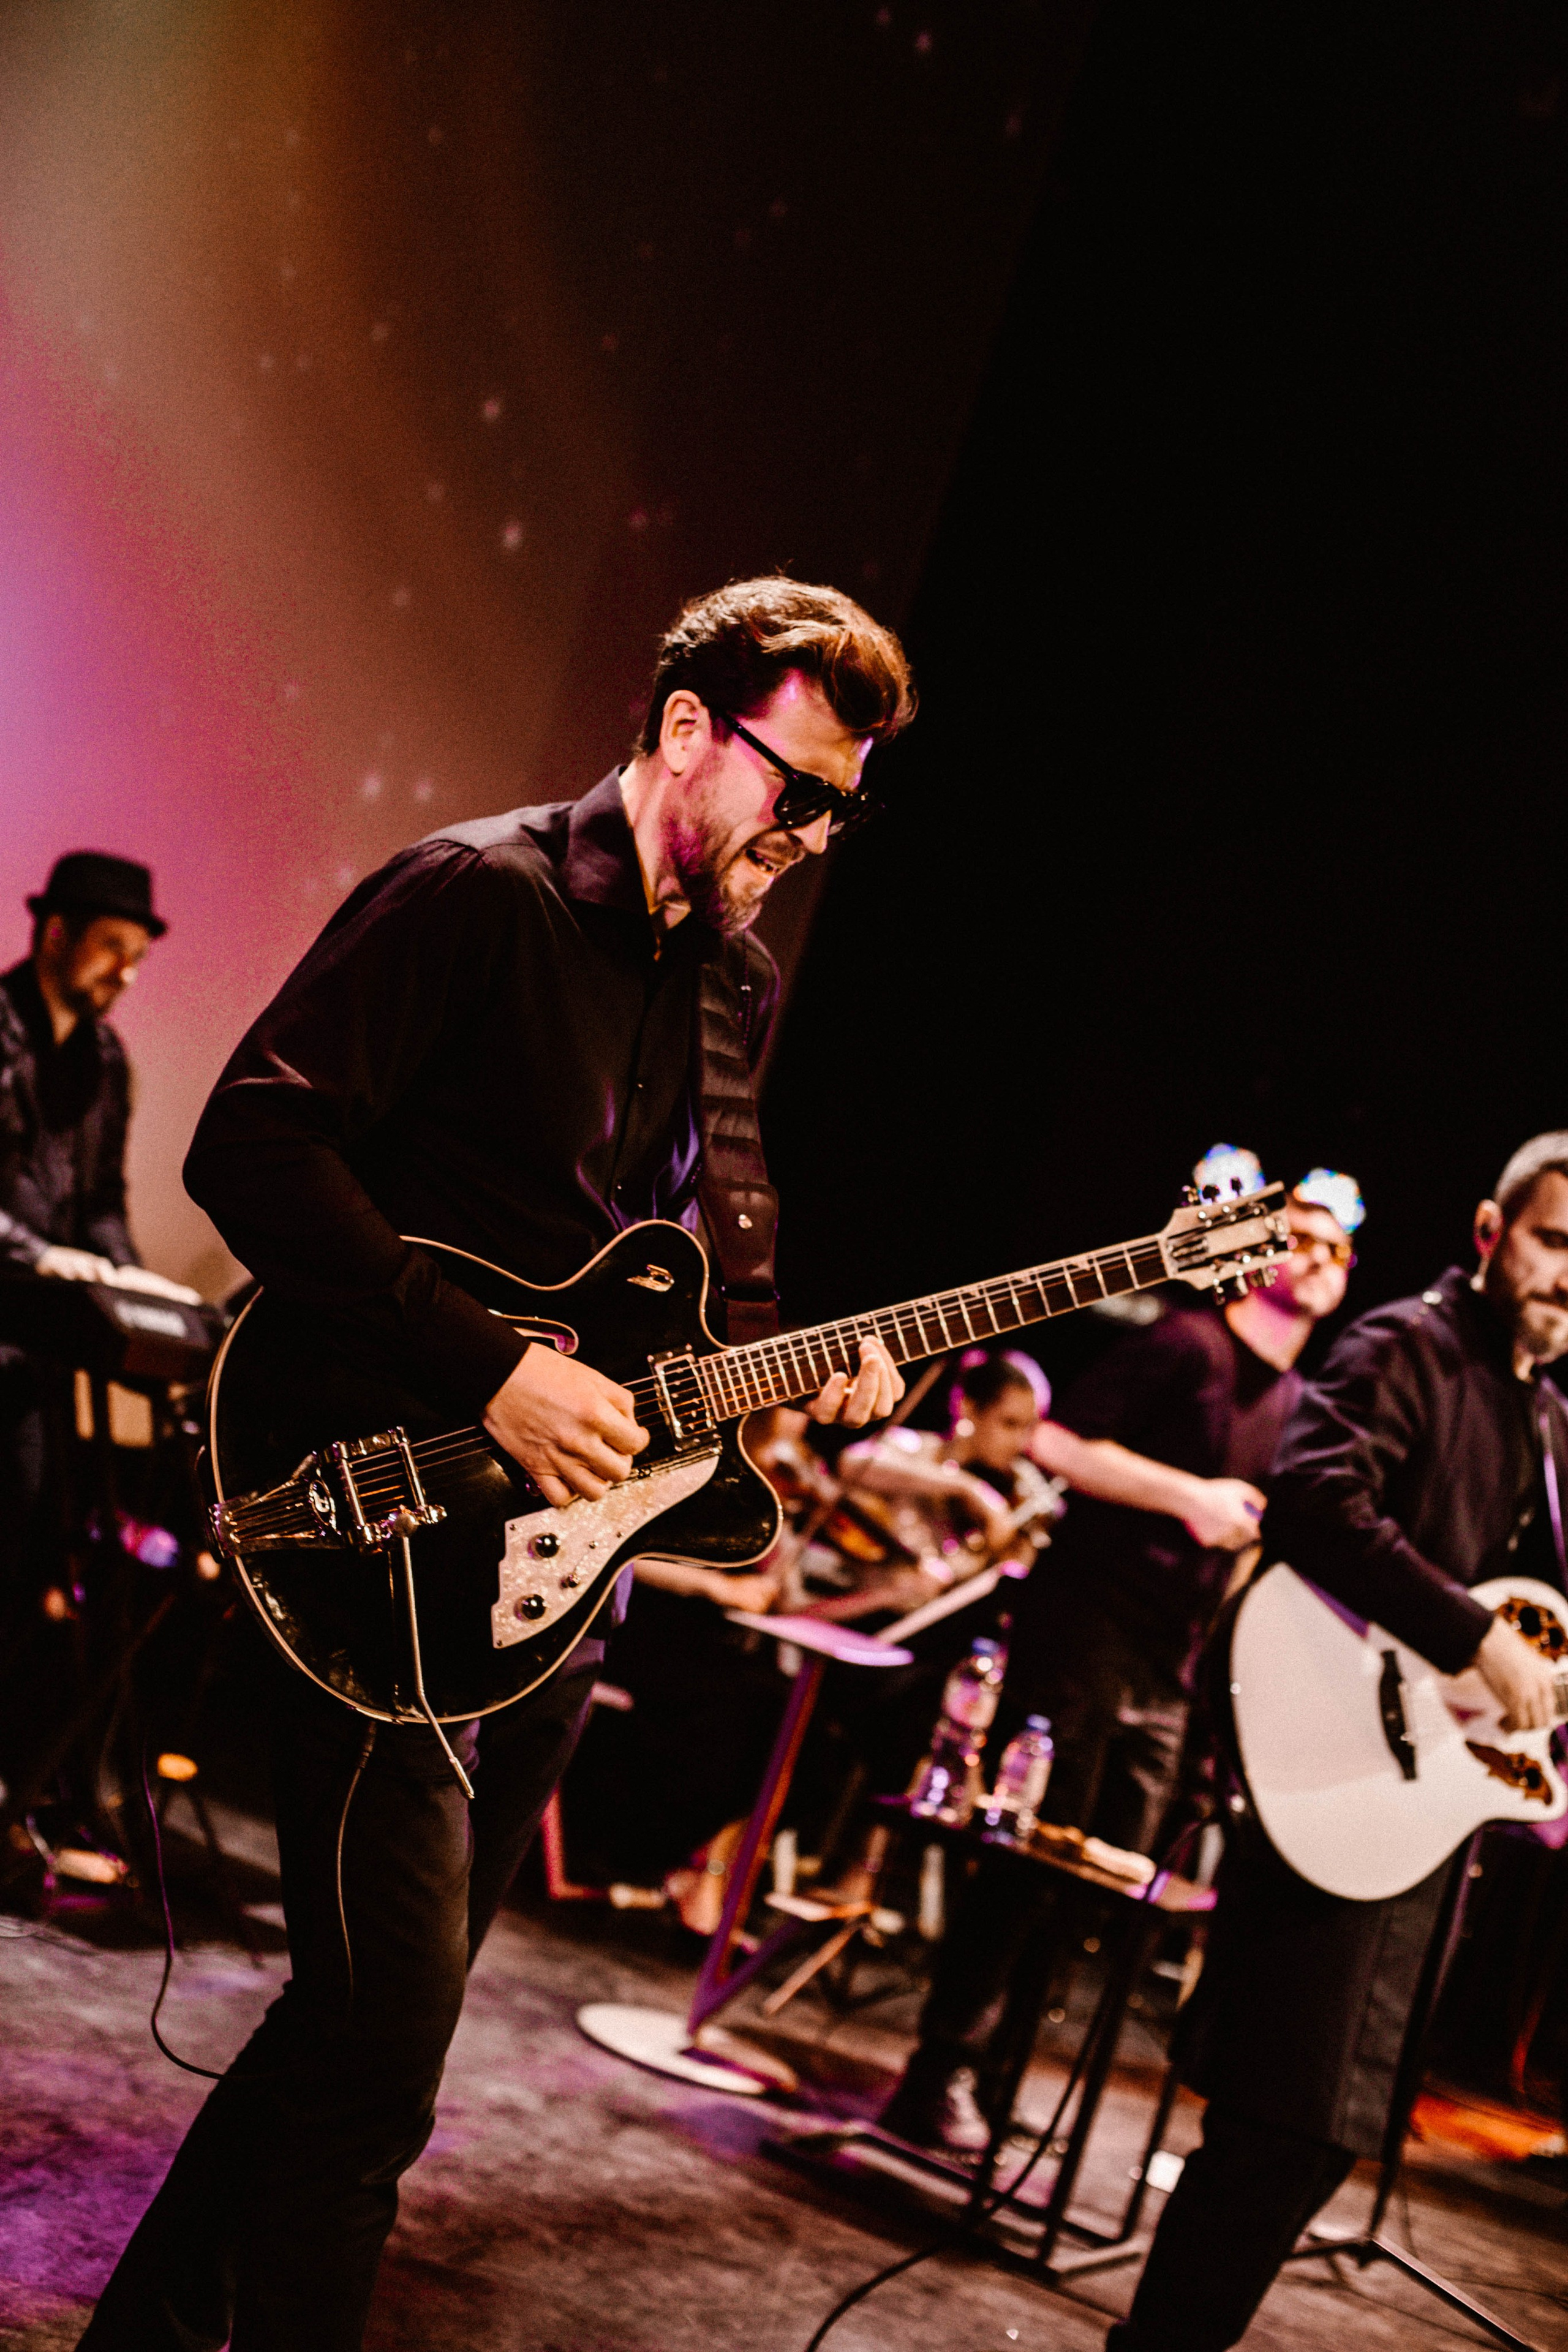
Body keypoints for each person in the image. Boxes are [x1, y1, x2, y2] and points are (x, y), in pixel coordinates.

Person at [77, 577, 915, 2352]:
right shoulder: (478, 894)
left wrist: (817, 1370)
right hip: (368, 1507)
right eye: (803, 789)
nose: (819, 837)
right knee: (386, 2061)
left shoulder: (729, 990)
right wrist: (491, 1374)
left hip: (542, 1584)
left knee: (354, 2023)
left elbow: (675, 1283)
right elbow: (255, 1145)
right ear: (690, 730)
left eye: (848, 809)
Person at [1110, 1133, 1568, 2352]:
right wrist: (1474, 1637)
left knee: (1320, 2133)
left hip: (1419, 1814)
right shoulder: (1403, 1345)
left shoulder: (1546, 1417)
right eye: (1552, 1239)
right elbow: (1317, 1499)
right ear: (1487, 1232)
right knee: (1275, 2125)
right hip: (1331, 1774)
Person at [880, 1155, 1359, 2153]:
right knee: (1021, 1860)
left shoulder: (1303, 1402)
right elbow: (1052, 1443)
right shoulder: (1187, 1345)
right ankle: (936, 2072)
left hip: (1172, 1665)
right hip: (1087, 1630)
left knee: (1104, 1884)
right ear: (1262, 1248)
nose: (1320, 1257)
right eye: (1302, 1235)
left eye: (1339, 1248)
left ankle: (1007, 2085)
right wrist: (1184, 1497)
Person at [0, 854, 189, 1624]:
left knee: (32, 1509)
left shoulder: (107, 1060)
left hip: (32, 1334)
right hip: (11, 1308)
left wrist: (133, 1284)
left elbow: (102, 1203)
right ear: (54, 935)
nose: (127, 975)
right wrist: (38, 1255)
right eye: (113, 949)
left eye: (137, 959)